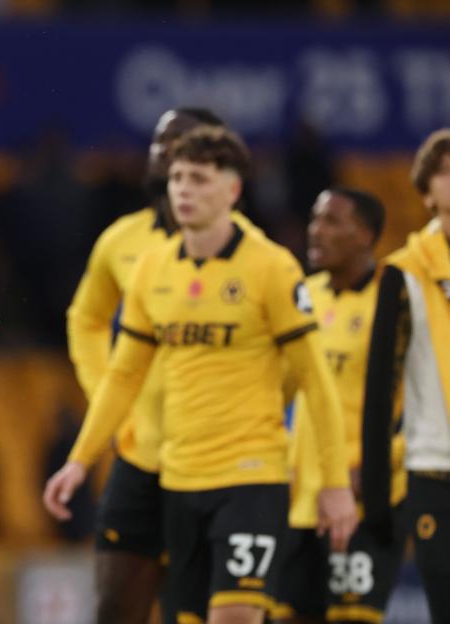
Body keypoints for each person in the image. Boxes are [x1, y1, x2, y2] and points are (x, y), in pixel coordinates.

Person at [44, 126, 357, 624]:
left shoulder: (271, 268)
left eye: (199, 179)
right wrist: (80, 461)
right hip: (178, 480)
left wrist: (334, 484)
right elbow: (124, 375)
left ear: (232, 189)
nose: (184, 190)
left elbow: (316, 381)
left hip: (251, 477)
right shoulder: (152, 269)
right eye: (178, 178)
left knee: (235, 615)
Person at [65, 107, 237, 624]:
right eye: (160, 141)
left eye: (180, 141)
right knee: (115, 608)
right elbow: (85, 319)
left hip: (215, 460)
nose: (164, 151)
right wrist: (106, 397)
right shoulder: (122, 241)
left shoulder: (246, 251)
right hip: (140, 457)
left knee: (197, 610)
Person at [272, 188, 404, 624]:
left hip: (362, 499)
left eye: (331, 221)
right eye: (314, 219)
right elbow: (279, 391)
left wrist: (373, 470)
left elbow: (425, 405)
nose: (316, 230)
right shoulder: (303, 297)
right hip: (298, 500)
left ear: (364, 235)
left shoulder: (394, 303)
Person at [362, 128, 450, 623]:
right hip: (435, 470)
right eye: (446, 172)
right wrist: (377, 499)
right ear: (425, 191)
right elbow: (380, 391)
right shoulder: (404, 273)